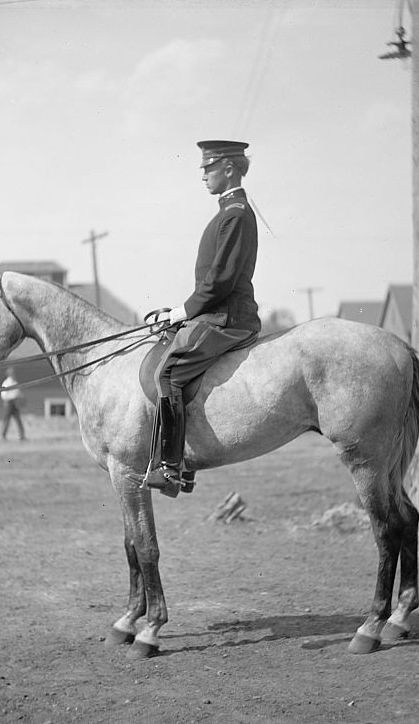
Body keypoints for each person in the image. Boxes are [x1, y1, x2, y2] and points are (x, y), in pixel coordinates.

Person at [144, 140, 261, 494]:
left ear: (228, 168)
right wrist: (177, 314)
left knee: (168, 374)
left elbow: (221, 281)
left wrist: (181, 312)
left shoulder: (236, 213)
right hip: (216, 312)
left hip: (228, 317)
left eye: (208, 168)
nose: (203, 176)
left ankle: (172, 469)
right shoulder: (229, 211)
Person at [0, 372, 26, 441]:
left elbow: (18, 392)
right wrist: (14, 396)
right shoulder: (6, 383)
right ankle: (3, 435)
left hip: (14, 402)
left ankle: (21, 435)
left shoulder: (14, 382)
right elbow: (4, 395)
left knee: (18, 420)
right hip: (8, 403)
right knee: (7, 420)